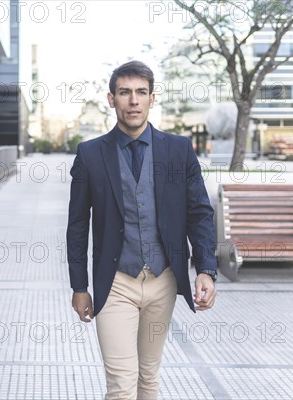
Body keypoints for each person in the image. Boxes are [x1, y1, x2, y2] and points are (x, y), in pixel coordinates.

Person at [66, 61, 217, 400]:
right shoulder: (90, 154)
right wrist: (79, 286)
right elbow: (77, 225)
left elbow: (200, 213)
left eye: (140, 93)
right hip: (116, 282)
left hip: (163, 280)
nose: (133, 100)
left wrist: (206, 269)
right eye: (124, 93)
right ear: (111, 99)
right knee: (121, 385)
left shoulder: (178, 150)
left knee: (149, 378)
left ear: (152, 98)